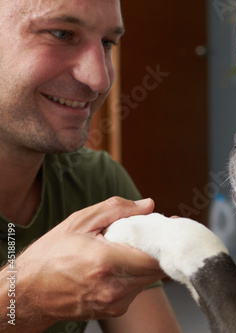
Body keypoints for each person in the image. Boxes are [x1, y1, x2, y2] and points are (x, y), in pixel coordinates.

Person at [0, 0, 182, 332]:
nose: (99, 80)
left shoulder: (94, 181)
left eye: (107, 43)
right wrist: (21, 298)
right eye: (61, 34)